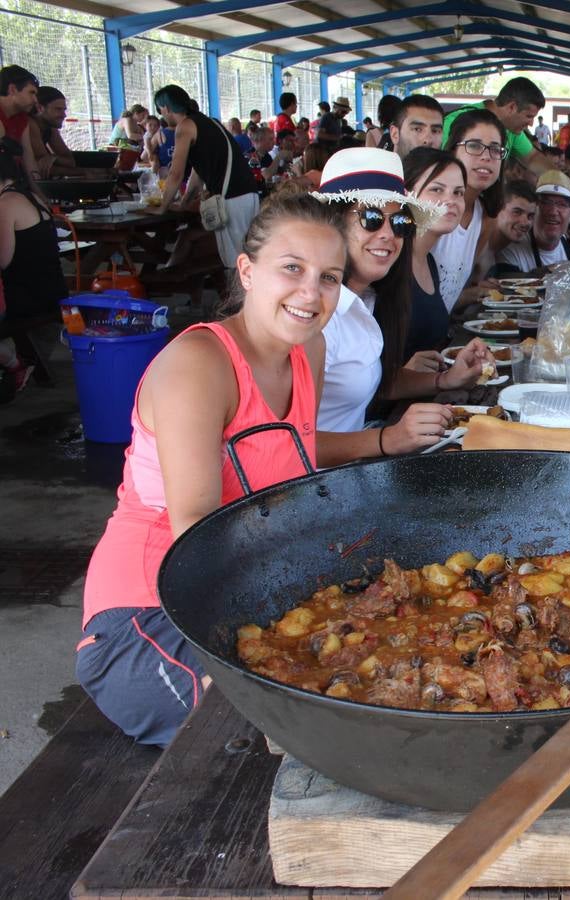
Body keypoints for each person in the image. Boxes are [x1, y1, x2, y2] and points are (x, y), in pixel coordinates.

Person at [77, 186, 349, 747]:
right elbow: (195, 530)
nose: (311, 292)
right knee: (272, 738)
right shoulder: (199, 364)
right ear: (247, 271)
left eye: (329, 277)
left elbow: (293, 462)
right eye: (292, 268)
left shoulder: (308, 349)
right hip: (147, 617)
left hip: (247, 588)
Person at [310, 147, 491, 465]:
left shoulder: (365, 300)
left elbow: (370, 380)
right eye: (371, 218)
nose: (388, 235)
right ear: (332, 224)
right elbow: (285, 442)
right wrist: (386, 439)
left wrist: (444, 380)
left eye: (400, 223)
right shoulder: (316, 315)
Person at [154, 84, 262, 272]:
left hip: (232, 198)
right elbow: (198, 173)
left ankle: (243, 300)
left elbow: (176, 174)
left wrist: (162, 207)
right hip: (246, 194)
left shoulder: (185, 127)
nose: (161, 114)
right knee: (244, 256)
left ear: (166, 108)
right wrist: (184, 202)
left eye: (160, 109)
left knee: (239, 262)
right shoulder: (208, 122)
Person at [0, 151, 67, 392]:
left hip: (28, 296)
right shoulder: (29, 196)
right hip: (50, 288)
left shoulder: (6, 204)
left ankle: (12, 360)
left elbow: (3, 261)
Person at [433, 108, 507, 312]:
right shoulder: (430, 209)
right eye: (474, 146)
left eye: (495, 149)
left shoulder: (485, 217)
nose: (486, 157)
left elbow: (452, 293)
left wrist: (472, 293)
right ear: (452, 151)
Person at [403, 147, 467, 354]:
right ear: (407, 194)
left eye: (458, 192)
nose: (451, 200)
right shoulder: (391, 262)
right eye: (437, 190)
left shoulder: (429, 261)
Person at [439, 78, 552, 175]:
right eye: (529, 116)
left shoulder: (511, 129)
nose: (531, 123)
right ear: (512, 107)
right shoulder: (457, 120)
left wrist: (561, 181)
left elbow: (532, 158)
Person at [496, 169, 570, 274]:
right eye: (546, 202)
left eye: (562, 204)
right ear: (534, 208)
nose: (553, 212)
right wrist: (553, 270)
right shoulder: (511, 248)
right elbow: (506, 285)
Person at [481, 179, 535, 274]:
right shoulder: (476, 242)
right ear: (499, 207)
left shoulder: (501, 250)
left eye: (530, 216)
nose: (524, 223)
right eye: (517, 212)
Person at [0, 65, 41, 181]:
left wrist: (43, 196)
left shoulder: (22, 118)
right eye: (31, 93)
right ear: (12, 89)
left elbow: (29, 161)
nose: (35, 100)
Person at [29, 86, 78, 177]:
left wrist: (53, 158)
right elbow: (46, 168)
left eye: (64, 110)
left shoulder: (50, 126)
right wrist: (86, 172)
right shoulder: (30, 124)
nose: (64, 115)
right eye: (58, 109)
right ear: (40, 108)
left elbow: (70, 161)